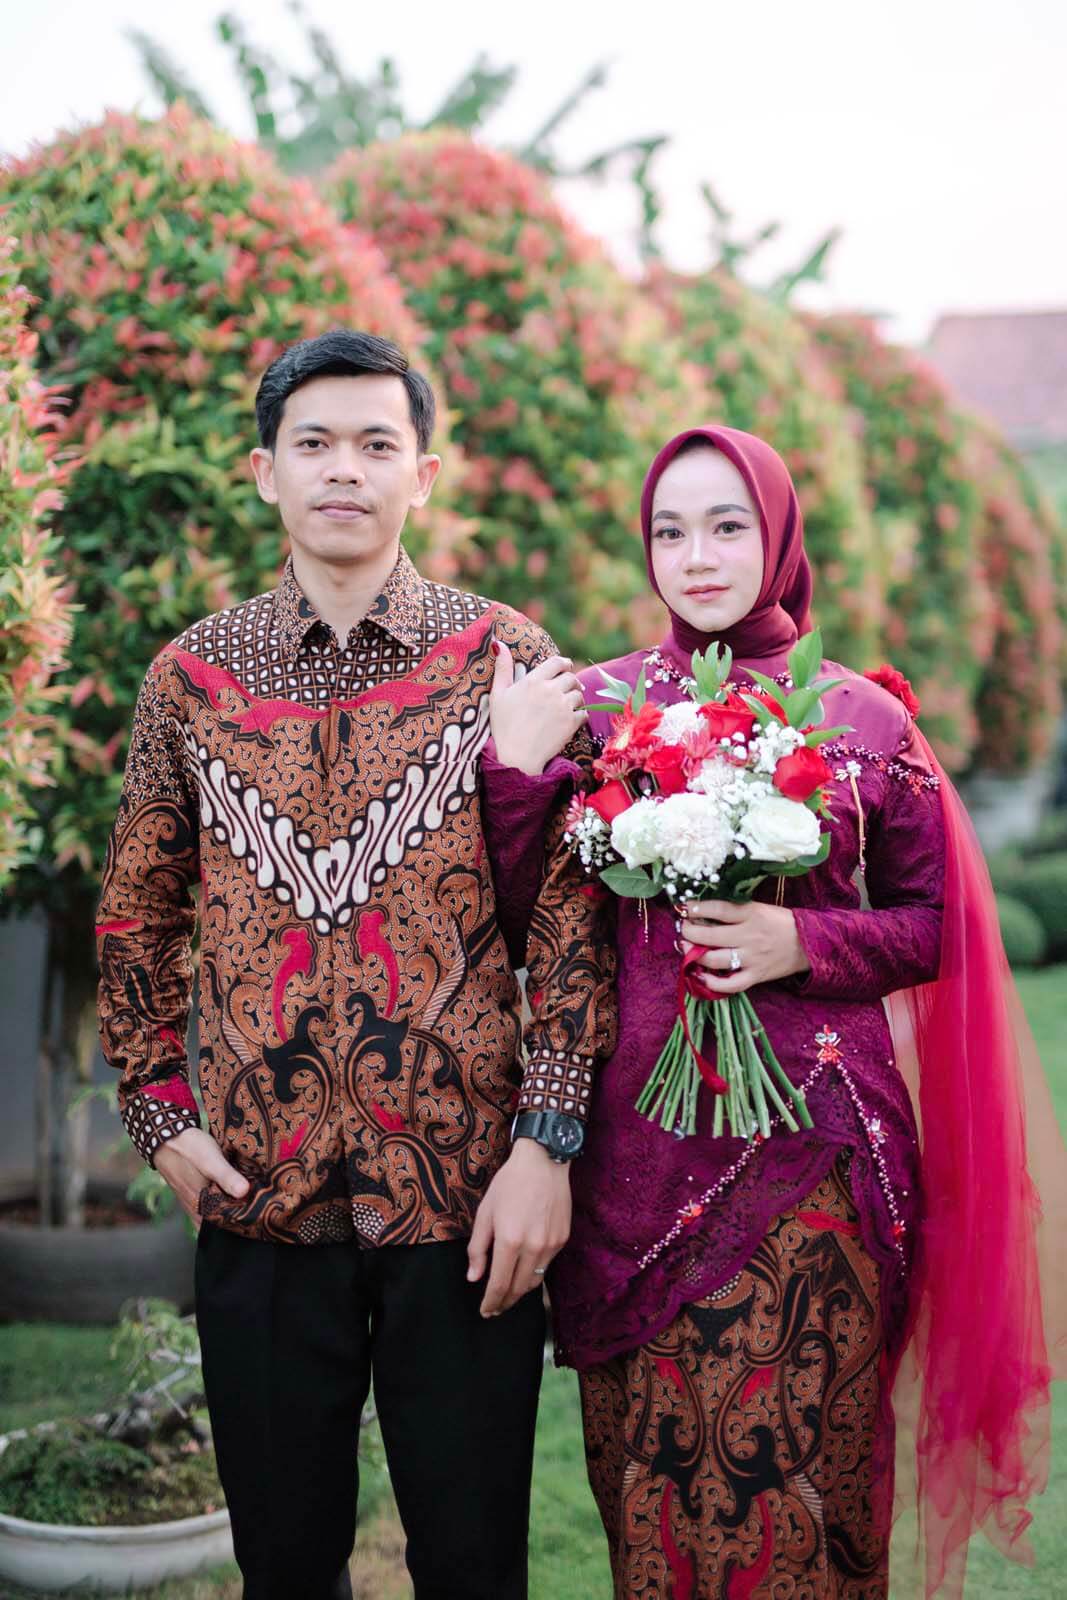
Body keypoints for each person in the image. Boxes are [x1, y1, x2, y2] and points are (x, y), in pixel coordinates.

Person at [94, 329, 615, 1600]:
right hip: (258, 1189)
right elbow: (135, 914)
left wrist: (546, 1148)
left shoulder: (501, 656)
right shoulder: (191, 678)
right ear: (263, 471)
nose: (343, 468)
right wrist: (159, 1113)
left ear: (421, 476)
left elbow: (570, 916)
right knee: (283, 1563)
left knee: (473, 1563)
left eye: (376, 444)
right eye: (313, 443)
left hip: (464, 1194)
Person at [508, 425, 1066, 1599]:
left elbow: (937, 924)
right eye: (668, 530)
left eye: (726, 526)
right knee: (654, 1492)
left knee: (806, 1490)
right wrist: (513, 776)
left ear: (777, 536)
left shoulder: (861, 718)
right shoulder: (597, 708)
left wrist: (798, 942)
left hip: (814, 1154)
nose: (695, 555)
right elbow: (524, 910)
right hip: (629, 1154)